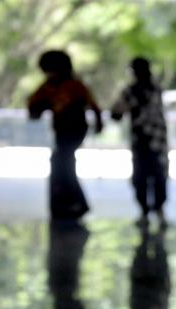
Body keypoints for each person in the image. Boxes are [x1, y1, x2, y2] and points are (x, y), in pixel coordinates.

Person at [28, 50, 104, 220]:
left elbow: (93, 106)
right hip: (61, 131)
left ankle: (75, 204)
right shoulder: (50, 87)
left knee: (62, 163)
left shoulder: (74, 86)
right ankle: (67, 205)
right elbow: (34, 108)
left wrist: (98, 123)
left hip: (74, 131)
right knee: (61, 163)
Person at [111, 57, 170, 226]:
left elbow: (116, 114)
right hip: (147, 142)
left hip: (152, 142)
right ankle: (149, 211)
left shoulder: (142, 90)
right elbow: (116, 113)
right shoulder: (141, 90)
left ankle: (154, 210)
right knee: (147, 177)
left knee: (153, 177)